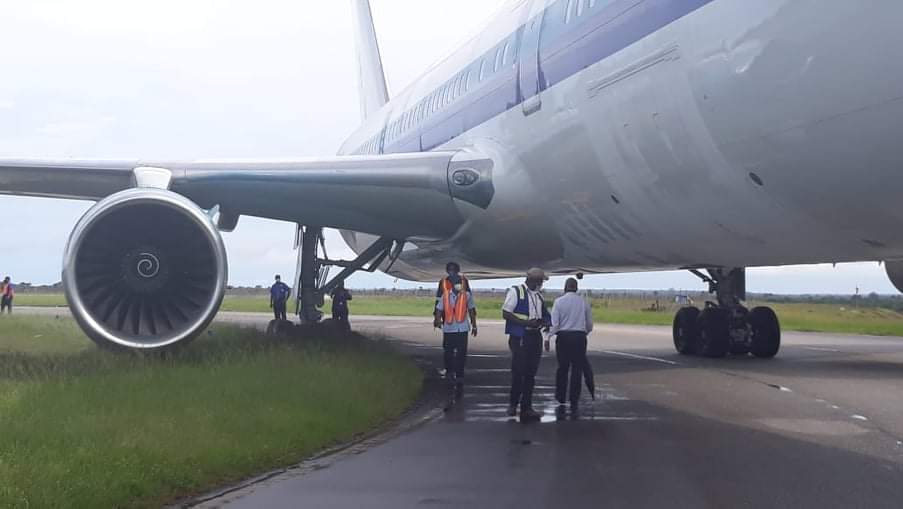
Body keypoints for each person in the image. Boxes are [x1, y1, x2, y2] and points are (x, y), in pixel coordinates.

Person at [502, 268, 551, 421]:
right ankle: (513, 405)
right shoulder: (516, 292)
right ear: (534, 280)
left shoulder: (539, 296)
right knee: (518, 372)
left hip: (534, 336)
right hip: (520, 337)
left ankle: (527, 407)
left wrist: (546, 322)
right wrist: (525, 323)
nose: (542, 284)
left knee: (530, 374)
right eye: (541, 281)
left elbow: (545, 314)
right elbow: (506, 313)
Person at [547, 277, 593, 417]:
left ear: (565, 287)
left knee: (562, 368)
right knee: (577, 369)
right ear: (576, 288)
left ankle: (560, 397)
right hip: (579, 337)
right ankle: (574, 398)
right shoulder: (584, 302)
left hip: (564, 337)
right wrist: (584, 332)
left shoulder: (559, 302)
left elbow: (555, 324)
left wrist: (547, 337)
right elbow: (589, 324)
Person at [434, 272, 477, 400]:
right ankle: (449, 372)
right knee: (448, 352)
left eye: (460, 283)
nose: (459, 285)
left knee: (461, 353)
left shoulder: (467, 295)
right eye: (457, 283)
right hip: (449, 328)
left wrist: (474, 325)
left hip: (462, 329)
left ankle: (459, 375)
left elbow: (471, 311)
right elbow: (439, 310)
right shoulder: (445, 296)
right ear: (452, 285)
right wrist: (437, 321)